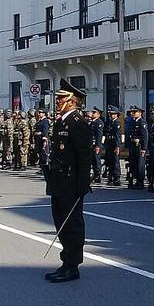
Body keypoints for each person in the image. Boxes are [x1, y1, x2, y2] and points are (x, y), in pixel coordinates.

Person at [44, 79, 92, 283]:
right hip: (59, 181)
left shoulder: (77, 122)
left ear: (72, 101)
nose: (58, 101)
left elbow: (84, 156)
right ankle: (66, 262)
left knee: (72, 224)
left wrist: (82, 185)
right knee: (61, 223)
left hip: (71, 182)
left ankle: (73, 266)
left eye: (62, 98)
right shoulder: (62, 121)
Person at [126, 106, 148, 189]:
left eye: (135, 112)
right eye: (132, 112)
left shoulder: (142, 122)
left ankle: (140, 181)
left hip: (139, 146)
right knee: (134, 163)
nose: (133, 113)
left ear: (140, 113)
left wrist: (144, 148)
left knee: (140, 164)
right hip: (133, 146)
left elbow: (145, 136)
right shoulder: (133, 122)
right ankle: (135, 180)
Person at [103, 107, 123, 186]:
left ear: (116, 115)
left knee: (115, 162)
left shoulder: (117, 123)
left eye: (113, 114)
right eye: (110, 114)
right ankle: (110, 177)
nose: (111, 115)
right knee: (109, 161)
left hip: (114, 144)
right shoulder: (110, 122)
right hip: (109, 144)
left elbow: (118, 136)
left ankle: (116, 178)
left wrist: (117, 146)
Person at [89, 108, 104, 182]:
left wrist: (98, 145)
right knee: (93, 160)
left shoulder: (99, 122)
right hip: (92, 144)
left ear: (98, 114)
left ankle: (98, 175)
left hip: (96, 144)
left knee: (97, 160)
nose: (92, 113)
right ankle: (95, 174)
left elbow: (99, 135)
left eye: (94, 112)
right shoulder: (93, 122)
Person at [35, 109, 51, 174]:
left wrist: (45, 140)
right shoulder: (39, 121)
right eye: (39, 113)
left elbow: (45, 131)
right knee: (40, 154)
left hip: (42, 139)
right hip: (38, 139)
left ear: (44, 114)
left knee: (44, 154)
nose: (39, 114)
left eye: (41, 113)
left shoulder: (45, 121)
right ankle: (41, 168)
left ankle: (44, 169)